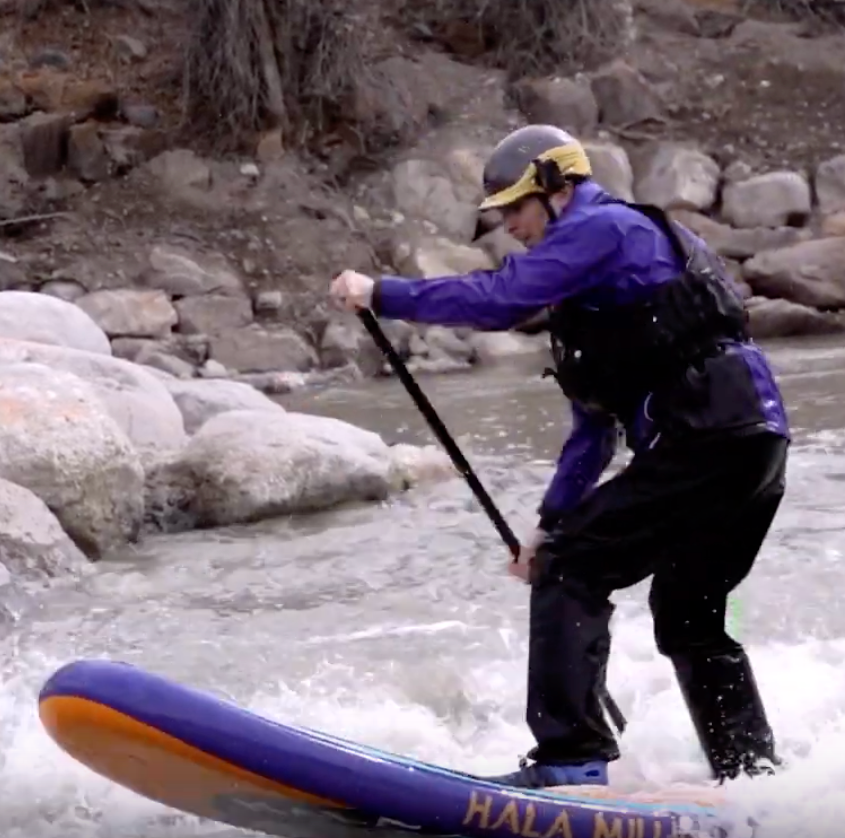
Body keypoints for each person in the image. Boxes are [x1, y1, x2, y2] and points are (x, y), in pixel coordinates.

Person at [328, 124, 790, 791]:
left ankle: (570, 765)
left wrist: (384, 294)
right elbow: (593, 431)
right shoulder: (588, 292)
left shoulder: (605, 230)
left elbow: (497, 300)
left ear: (557, 188)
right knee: (685, 615)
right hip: (751, 444)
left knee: (573, 569)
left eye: (516, 208)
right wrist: (547, 526)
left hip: (709, 438)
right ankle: (752, 782)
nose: (508, 225)